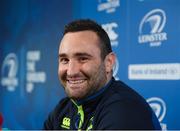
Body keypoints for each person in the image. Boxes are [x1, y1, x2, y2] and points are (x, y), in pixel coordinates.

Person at [43, 19, 161, 130]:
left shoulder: (125, 110)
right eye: (65, 60)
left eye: (83, 58)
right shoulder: (63, 108)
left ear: (108, 63)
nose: (71, 71)